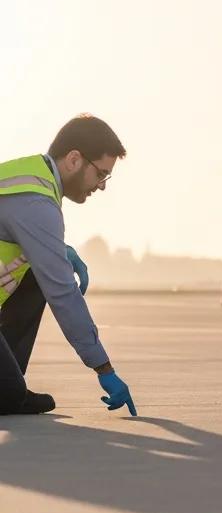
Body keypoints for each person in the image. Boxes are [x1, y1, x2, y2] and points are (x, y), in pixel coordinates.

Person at [0, 114, 137, 416]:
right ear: (75, 159)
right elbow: (63, 293)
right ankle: (8, 387)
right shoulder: (36, 200)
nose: (101, 186)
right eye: (101, 174)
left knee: (39, 271)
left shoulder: (27, 178)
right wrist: (103, 368)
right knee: (8, 397)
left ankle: (9, 380)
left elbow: (19, 230)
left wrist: (61, 251)